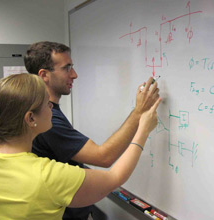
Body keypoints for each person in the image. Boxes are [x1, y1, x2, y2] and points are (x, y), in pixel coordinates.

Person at [0, 73, 161, 220]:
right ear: (31, 118)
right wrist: (143, 129)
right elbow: (115, 177)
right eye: (47, 103)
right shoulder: (47, 176)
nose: (51, 108)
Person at [24, 41, 160, 219]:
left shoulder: (45, 112)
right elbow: (103, 157)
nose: (74, 75)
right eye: (67, 68)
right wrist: (139, 113)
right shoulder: (48, 122)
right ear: (44, 75)